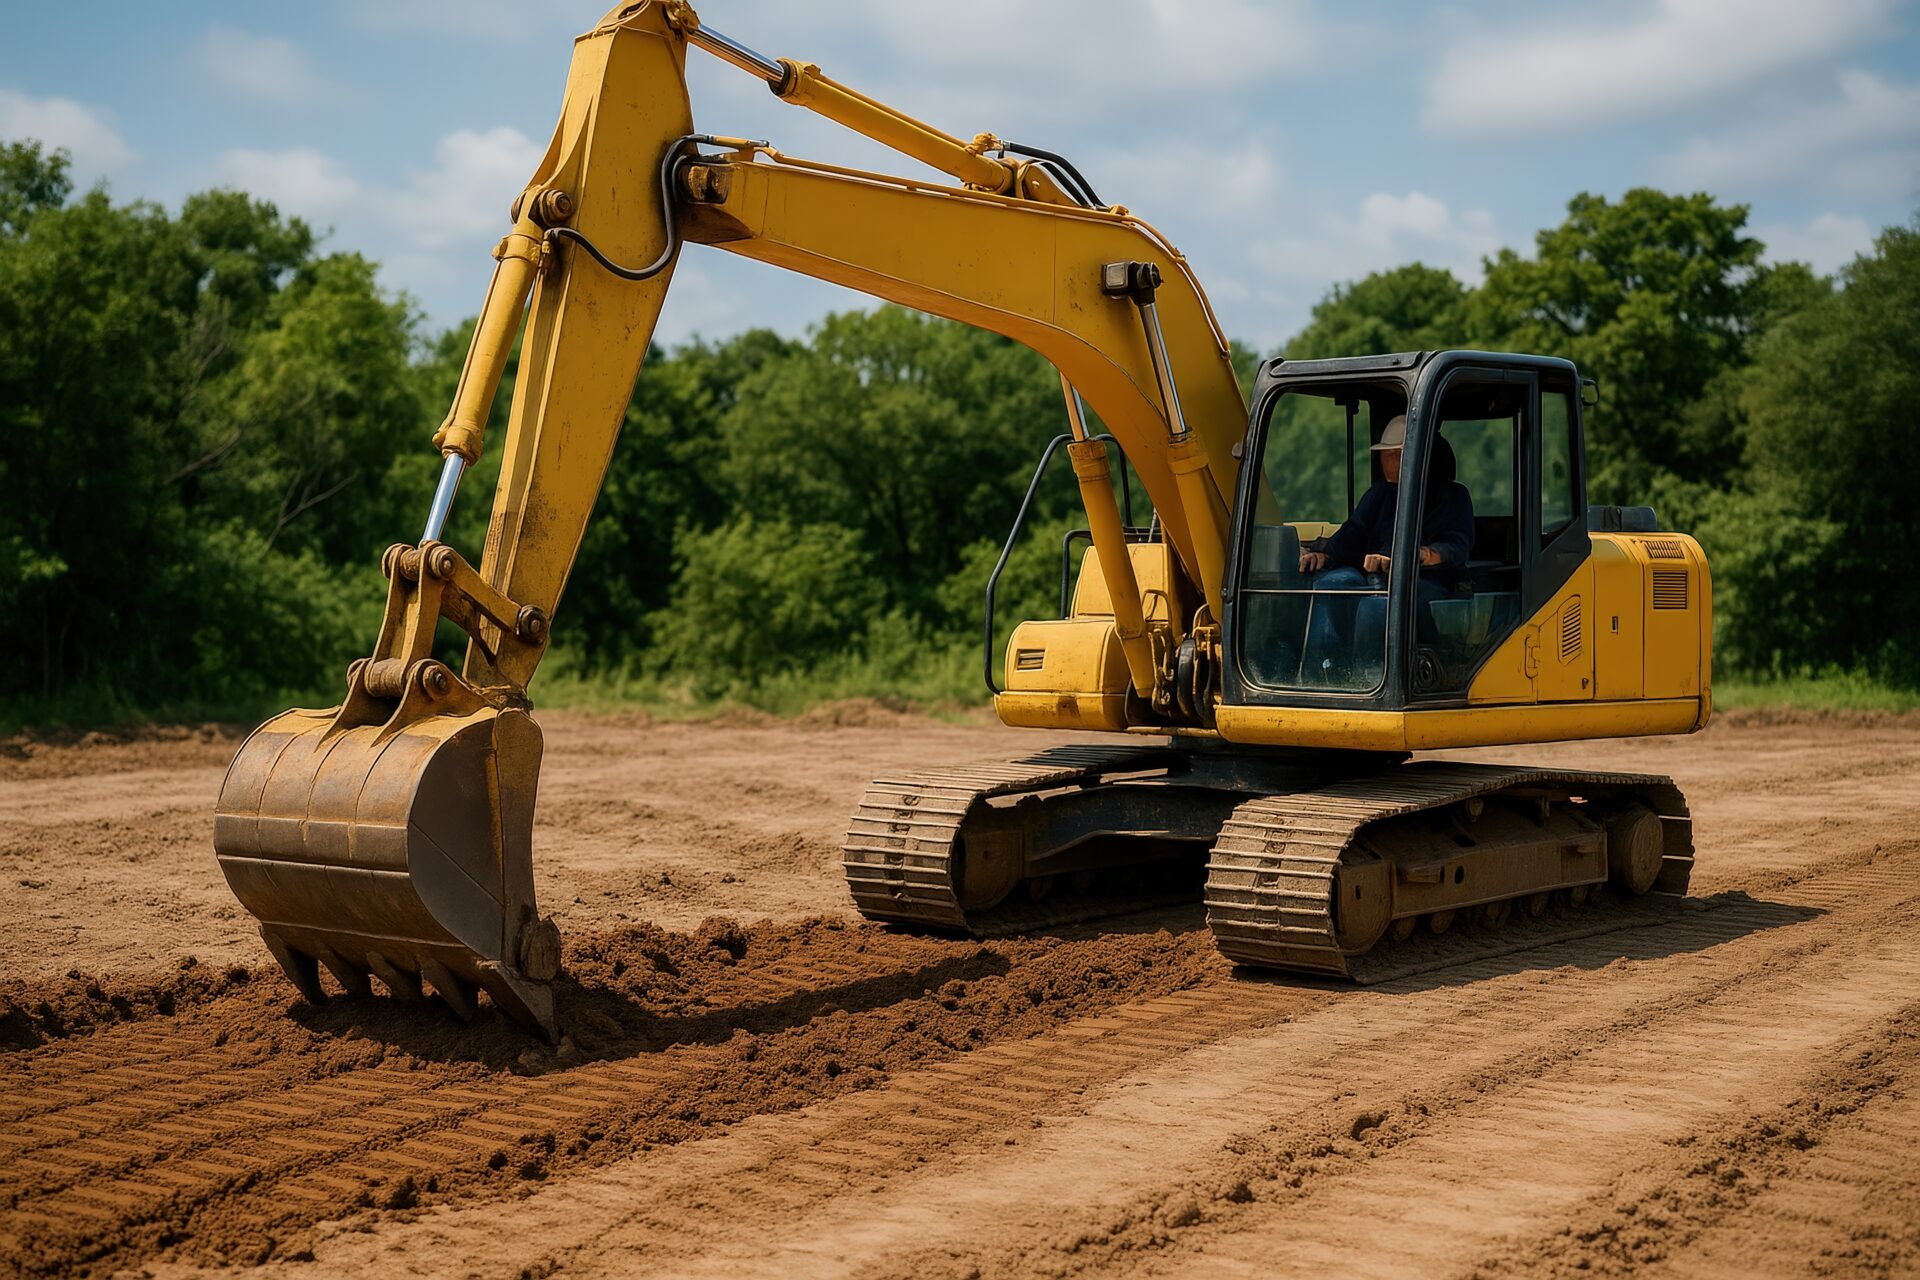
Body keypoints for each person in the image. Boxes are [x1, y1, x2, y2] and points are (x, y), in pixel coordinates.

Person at [1296, 414, 1474, 682]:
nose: (1388, 462)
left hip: (1427, 583)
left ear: (1418, 454)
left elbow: (1457, 547)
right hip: (1375, 579)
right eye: (1386, 455)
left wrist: (1416, 556)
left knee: (1376, 605)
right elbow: (1353, 533)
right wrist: (1324, 553)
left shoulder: (1454, 497)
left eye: (1395, 454)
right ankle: (1318, 677)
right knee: (1333, 583)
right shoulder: (1379, 494)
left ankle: (1368, 678)